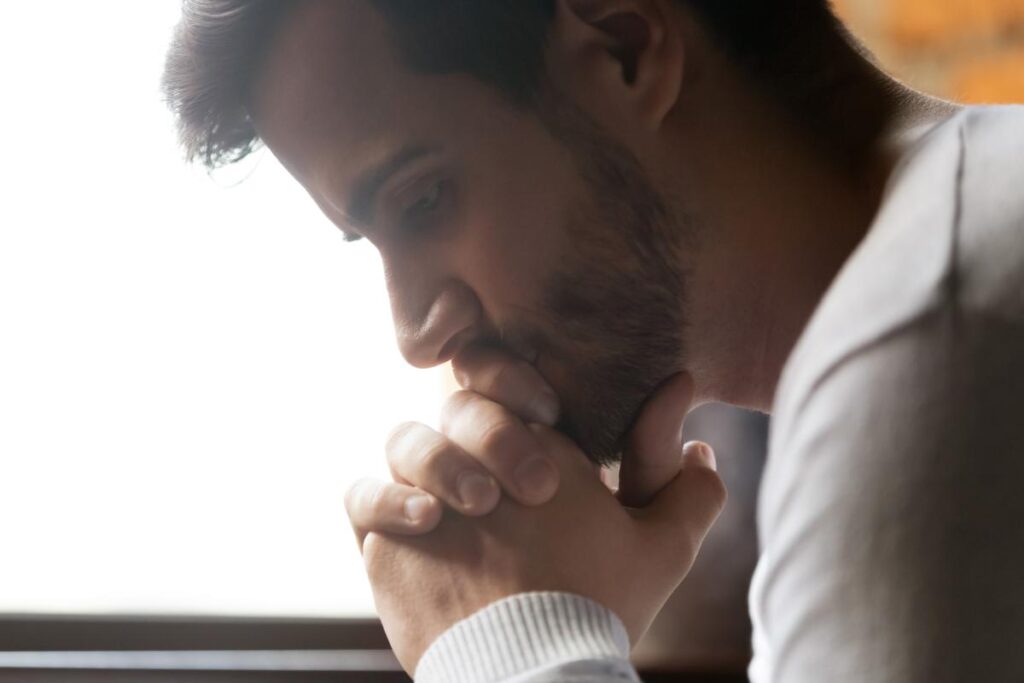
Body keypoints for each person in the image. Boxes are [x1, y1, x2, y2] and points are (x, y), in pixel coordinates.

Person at [162, 1, 1024, 681]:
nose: (416, 336)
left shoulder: (933, 338)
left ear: (626, 50)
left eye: (423, 202)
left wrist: (513, 645)